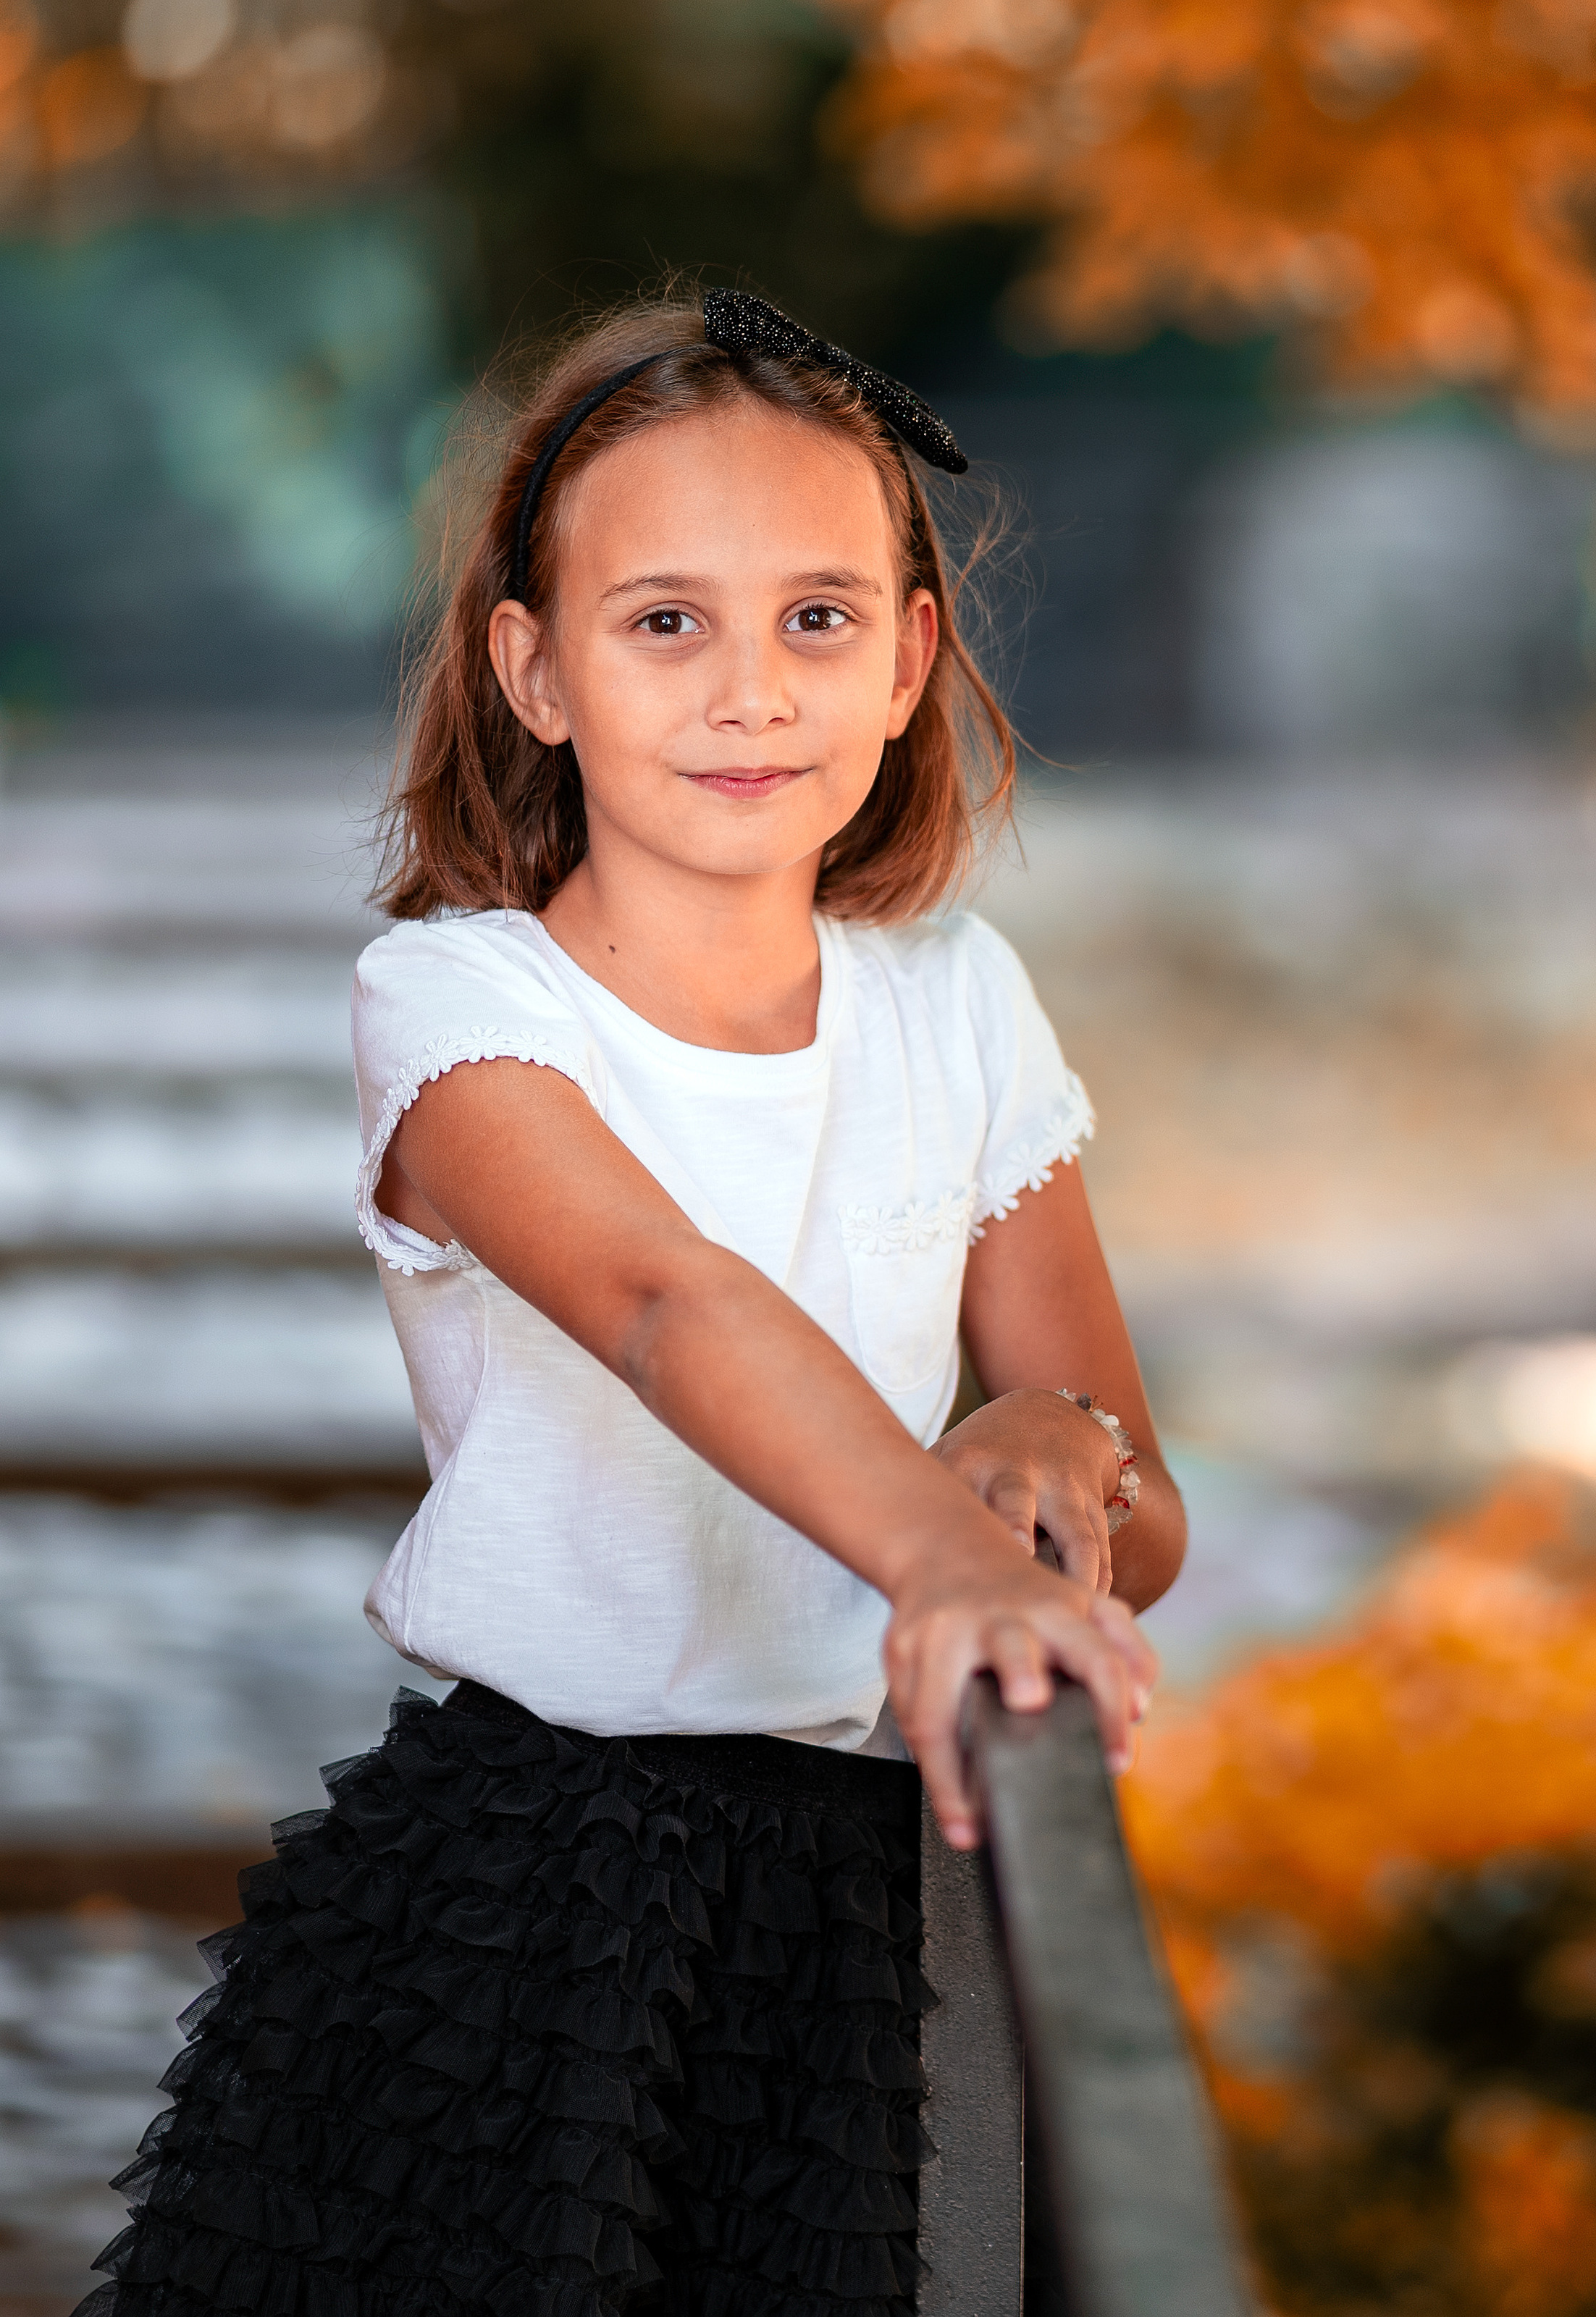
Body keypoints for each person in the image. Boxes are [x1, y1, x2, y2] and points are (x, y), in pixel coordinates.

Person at [80, 285, 1183, 2317]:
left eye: (817, 619)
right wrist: (951, 1551)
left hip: (896, 1899)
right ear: (536, 669)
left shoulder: (963, 1009)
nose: (750, 689)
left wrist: (1061, 1446)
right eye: (667, 619)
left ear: (908, 661)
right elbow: (672, 1303)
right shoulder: (457, 1006)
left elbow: (1148, 1510)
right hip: (544, 1889)